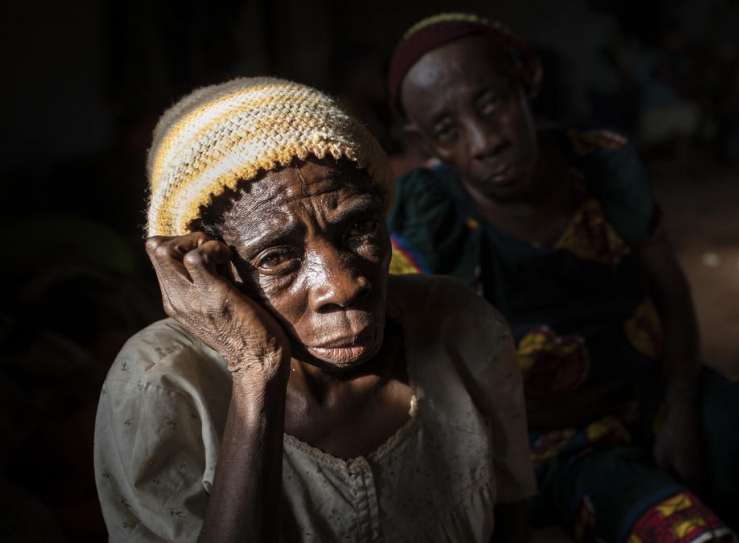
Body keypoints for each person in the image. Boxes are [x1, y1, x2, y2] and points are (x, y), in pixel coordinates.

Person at [385, 13, 739, 542]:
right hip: (550, 443)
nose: (484, 142)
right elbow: (413, 369)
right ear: (426, 144)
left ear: (525, 83)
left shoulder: (602, 161)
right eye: (447, 130)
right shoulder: (428, 215)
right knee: (687, 533)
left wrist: (681, 405)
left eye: (491, 104)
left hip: (653, 394)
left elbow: (671, 289)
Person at [93, 77, 536, 542]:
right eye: (276, 257)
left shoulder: (461, 325)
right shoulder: (158, 385)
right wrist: (254, 367)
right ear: (211, 274)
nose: (343, 285)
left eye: (358, 228)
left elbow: (509, 520)